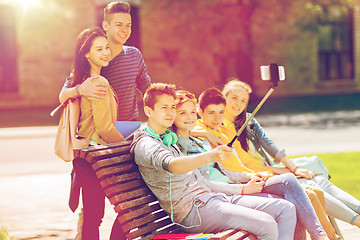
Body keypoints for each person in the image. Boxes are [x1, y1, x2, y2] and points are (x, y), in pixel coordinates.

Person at [130, 83, 298, 240]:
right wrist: (210, 156)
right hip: (192, 210)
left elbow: (199, 176)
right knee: (266, 223)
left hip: (213, 198)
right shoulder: (147, 144)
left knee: (285, 209)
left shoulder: (168, 138)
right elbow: (173, 166)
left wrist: (204, 135)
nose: (170, 112)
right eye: (164, 108)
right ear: (149, 111)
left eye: (172, 107)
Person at [194, 87, 331, 240]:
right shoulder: (199, 130)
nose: (217, 118)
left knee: (293, 189)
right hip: (235, 185)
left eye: (221, 112)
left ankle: (320, 235)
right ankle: (320, 235)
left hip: (248, 177)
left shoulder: (226, 130)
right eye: (211, 113)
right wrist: (203, 133)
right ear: (199, 111)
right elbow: (180, 127)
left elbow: (243, 161)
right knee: (289, 186)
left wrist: (256, 173)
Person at [221, 78, 360, 228]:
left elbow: (268, 144)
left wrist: (294, 168)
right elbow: (244, 165)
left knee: (319, 180)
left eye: (243, 100)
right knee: (311, 187)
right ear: (224, 97)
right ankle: (357, 221)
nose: (238, 104)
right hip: (258, 176)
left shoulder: (248, 120)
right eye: (234, 98)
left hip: (271, 169)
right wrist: (281, 170)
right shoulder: (220, 127)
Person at [69, 27, 126, 240]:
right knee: (117, 212)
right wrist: (129, 147)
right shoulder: (98, 82)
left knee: (93, 217)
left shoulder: (84, 79)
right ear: (87, 54)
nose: (105, 53)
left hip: (86, 156)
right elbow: (104, 128)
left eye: (107, 48)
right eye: (99, 49)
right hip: (97, 157)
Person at [59, 1, 151, 121]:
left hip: (128, 129)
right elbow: (63, 96)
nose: (125, 30)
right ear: (106, 26)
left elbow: (147, 89)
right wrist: (80, 89)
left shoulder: (134, 55)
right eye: (119, 25)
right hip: (98, 132)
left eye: (128, 25)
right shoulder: (93, 58)